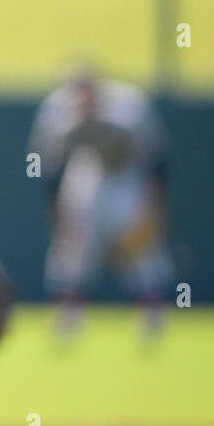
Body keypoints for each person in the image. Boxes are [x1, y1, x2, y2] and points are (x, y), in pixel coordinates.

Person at [29, 66, 172, 341]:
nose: (84, 100)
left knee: (139, 246)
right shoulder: (57, 112)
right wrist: (58, 213)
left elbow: (156, 161)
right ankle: (68, 316)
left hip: (126, 177)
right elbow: (49, 168)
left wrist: (152, 203)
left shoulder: (130, 106)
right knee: (73, 246)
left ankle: (152, 315)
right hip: (83, 172)